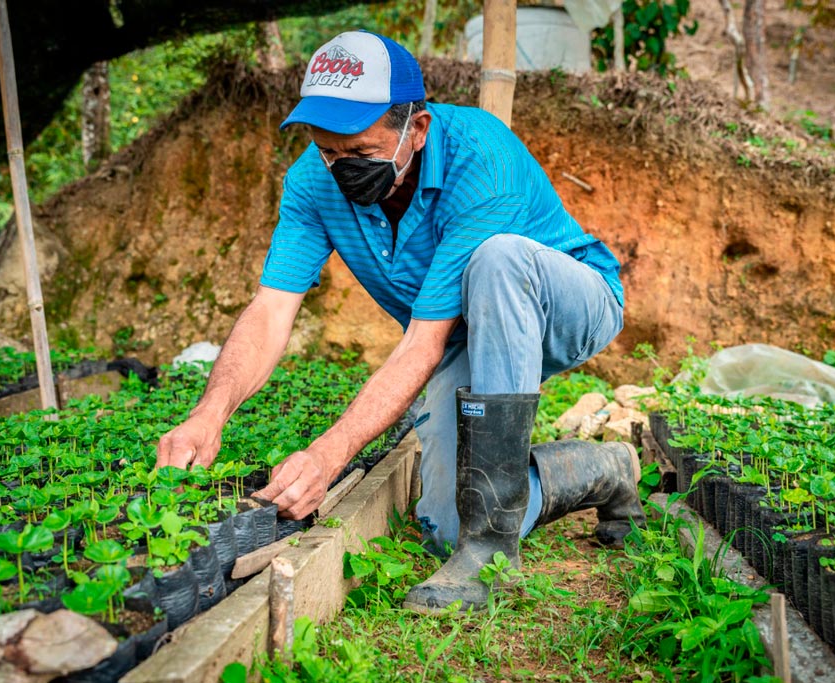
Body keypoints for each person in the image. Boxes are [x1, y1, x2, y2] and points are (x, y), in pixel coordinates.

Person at [156, 29, 645, 614]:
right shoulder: (312, 183)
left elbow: (422, 342)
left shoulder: (480, 158)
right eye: (328, 151)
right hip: (466, 333)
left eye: (359, 153)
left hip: (568, 302)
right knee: (444, 522)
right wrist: (208, 417)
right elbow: (271, 309)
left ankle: (492, 549)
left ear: (416, 129)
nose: (340, 169)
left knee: (498, 259)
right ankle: (603, 469)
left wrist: (327, 457)